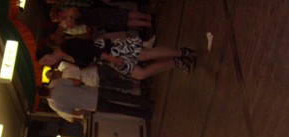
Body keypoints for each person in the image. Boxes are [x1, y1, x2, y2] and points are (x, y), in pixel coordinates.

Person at [37, 36, 196, 79]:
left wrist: (112, 59)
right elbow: (87, 62)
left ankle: (182, 54)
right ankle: (176, 61)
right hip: (107, 58)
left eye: (45, 60)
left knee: (145, 55)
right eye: (44, 63)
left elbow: (92, 49)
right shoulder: (65, 57)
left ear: (48, 53)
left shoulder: (67, 46)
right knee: (140, 73)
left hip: (110, 51)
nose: (47, 63)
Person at [38, 77, 152, 122]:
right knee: (123, 97)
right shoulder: (56, 83)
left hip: (93, 105)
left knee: (120, 109)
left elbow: (75, 113)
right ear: (45, 86)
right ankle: (147, 102)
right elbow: (76, 82)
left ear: (44, 97)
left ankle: (145, 114)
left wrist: (86, 109)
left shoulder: (54, 105)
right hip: (94, 92)